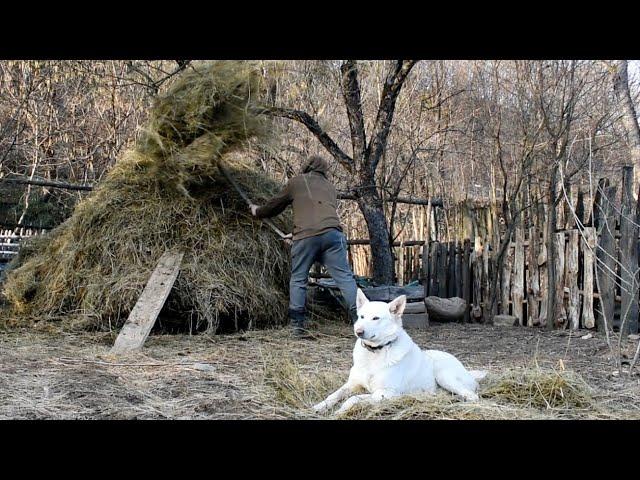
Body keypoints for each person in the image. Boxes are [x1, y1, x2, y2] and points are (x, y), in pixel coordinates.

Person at [249, 155, 358, 336]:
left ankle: (297, 325)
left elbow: (275, 206)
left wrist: (257, 211)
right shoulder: (330, 188)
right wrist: (297, 233)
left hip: (307, 237)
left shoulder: (296, 182)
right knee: (345, 278)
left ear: (307, 166)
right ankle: (360, 319)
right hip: (333, 234)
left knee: (299, 278)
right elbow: (318, 212)